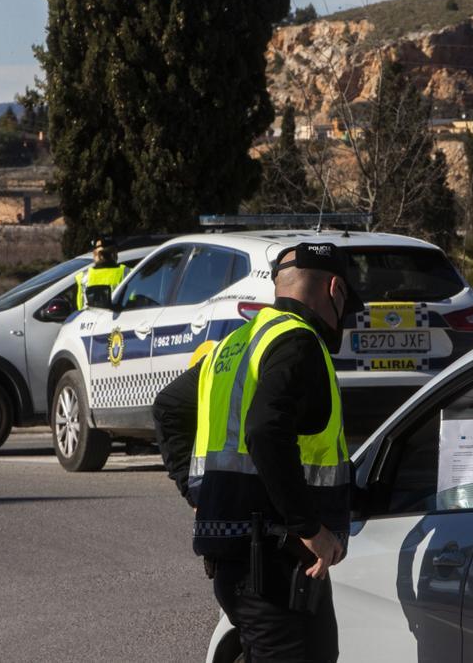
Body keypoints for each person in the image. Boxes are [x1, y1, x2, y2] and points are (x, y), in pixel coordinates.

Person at [153, 242, 363, 663]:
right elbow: (265, 431)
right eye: (348, 306)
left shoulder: (237, 344)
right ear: (335, 288)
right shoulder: (298, 344)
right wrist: (309, 527)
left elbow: (168, 408)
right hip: (276, 565)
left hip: (237, 563)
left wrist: (197, 493)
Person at [74, 237, 126, 310]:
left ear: (95, 255)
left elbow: (81, 307)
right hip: (121, 319)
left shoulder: (83, 277)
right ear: (114, 254)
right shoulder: (127, 272)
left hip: (91, 319)